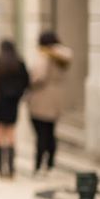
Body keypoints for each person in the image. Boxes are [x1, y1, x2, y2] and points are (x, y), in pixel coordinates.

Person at [27, 31, 72, 176]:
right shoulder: (62, 56)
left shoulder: (45, 56)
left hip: (41, 98)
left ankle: (38, 165)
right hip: (56, 98)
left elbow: (38, 77)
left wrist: (31, 82)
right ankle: (50, 164)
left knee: (41, 134)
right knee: (51, 132)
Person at [0, 40, 29, 178]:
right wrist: (17, 95)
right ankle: (10, 169)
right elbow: (26, 82)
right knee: (11, 135)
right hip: (12, 104)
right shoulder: (19, 64)